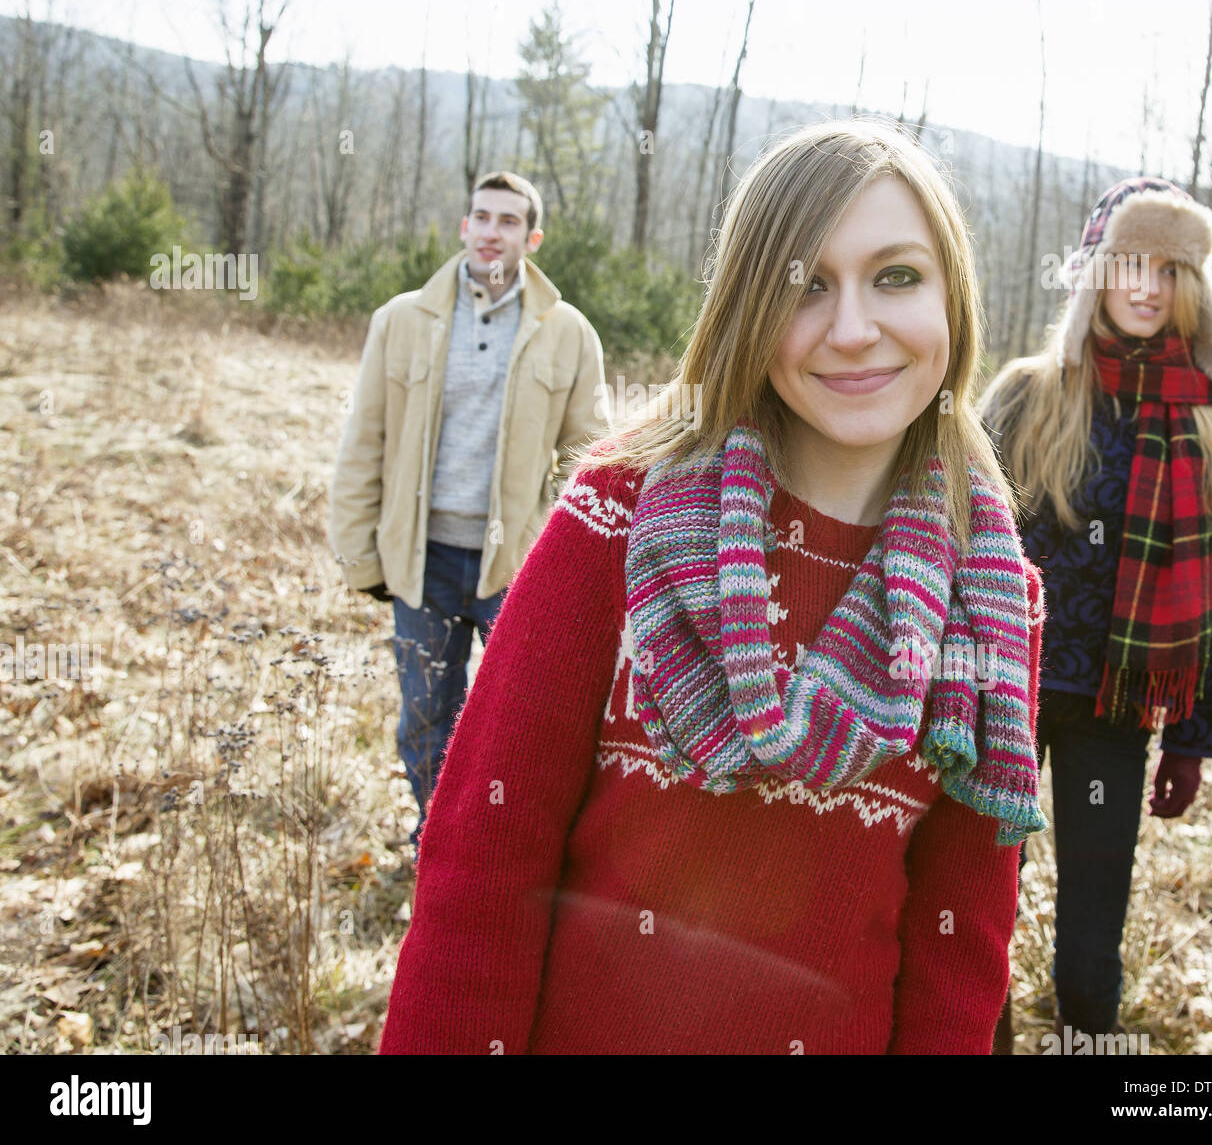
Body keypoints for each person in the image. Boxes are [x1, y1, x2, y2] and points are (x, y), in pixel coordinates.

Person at [379, 118, 1048, 1056]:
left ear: (955, 302)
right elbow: (483, 866)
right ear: (748, 309)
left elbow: (960, 951)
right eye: (806, 286)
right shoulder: (620, 518)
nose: (854, 329)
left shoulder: (988, 597)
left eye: (896, 276)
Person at [979, 177, 1212, 1051]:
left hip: (1117, 709)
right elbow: (955, 540)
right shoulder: (1027, 393)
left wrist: (1194, 738)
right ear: (1095, 271)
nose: (1145, 286)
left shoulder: (1200, 412)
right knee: (976, 913)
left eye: (1169, 270)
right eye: (1128, 263)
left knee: (1092, 943)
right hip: (1003, 697)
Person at [329, 171, 608, 855]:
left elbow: (589, 458)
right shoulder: (401, 321)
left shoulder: (567, 333)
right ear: (464, 226)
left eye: (508, 221)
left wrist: (567, 557)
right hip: (420, 558)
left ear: (531, 238)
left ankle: (510, 848)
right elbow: (364, 439)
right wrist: (362, 556)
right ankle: (439, 843)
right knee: (425, 718)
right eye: (481, 217)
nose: (491, 231)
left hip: (512, 564)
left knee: (529, 722)